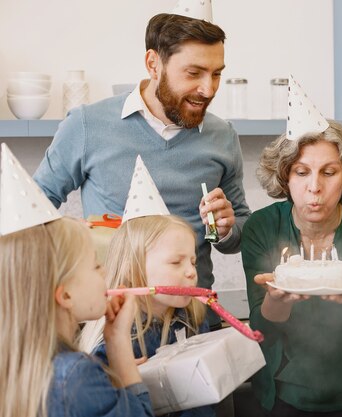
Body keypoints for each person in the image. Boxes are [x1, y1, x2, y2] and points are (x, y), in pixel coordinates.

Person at [33, 13, 251, 330]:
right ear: (153, 64)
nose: (207, 89)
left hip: (195, 320)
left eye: (216, 74)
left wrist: (228, 226)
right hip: (109, 323)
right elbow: (34, 214)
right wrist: (75, 240)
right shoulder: (87, 124)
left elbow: (236, 236)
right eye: (194, 73)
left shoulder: (223, 136)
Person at [239, 120, 342, 416]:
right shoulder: (261, 227)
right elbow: (263, 332)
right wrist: (275, 300)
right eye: (302, 172)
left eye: (329, 172)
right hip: (284, 395)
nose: (315, 187)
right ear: (285, 177)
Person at [0, 216, 154, 417]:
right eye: (96, 265)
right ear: (65, 295)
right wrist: (118, 343)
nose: (105, 271)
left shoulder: (18, 373)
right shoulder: (77, 376)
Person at [81, 214, 214, 417]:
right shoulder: (115, 343)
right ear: (133, 269)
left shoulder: (193, 320)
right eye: (176, 262)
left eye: (193, 262)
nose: (191, 272)